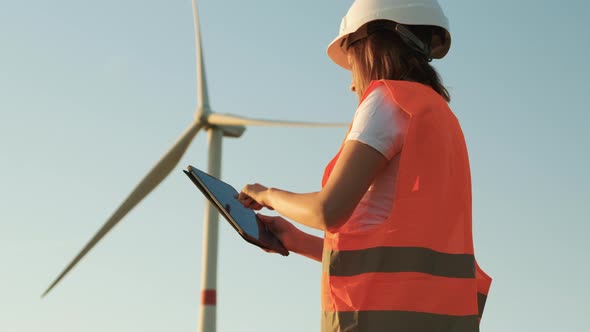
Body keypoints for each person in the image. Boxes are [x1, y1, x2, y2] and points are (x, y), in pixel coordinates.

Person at [237, 0, 492, 331]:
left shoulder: (386, 102)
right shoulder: (439, 118)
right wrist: (299, 241)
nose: (352, 82)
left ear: (372, 44)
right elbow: (396, 257)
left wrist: (267, 194)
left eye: (350, 55)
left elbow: (328, 211)